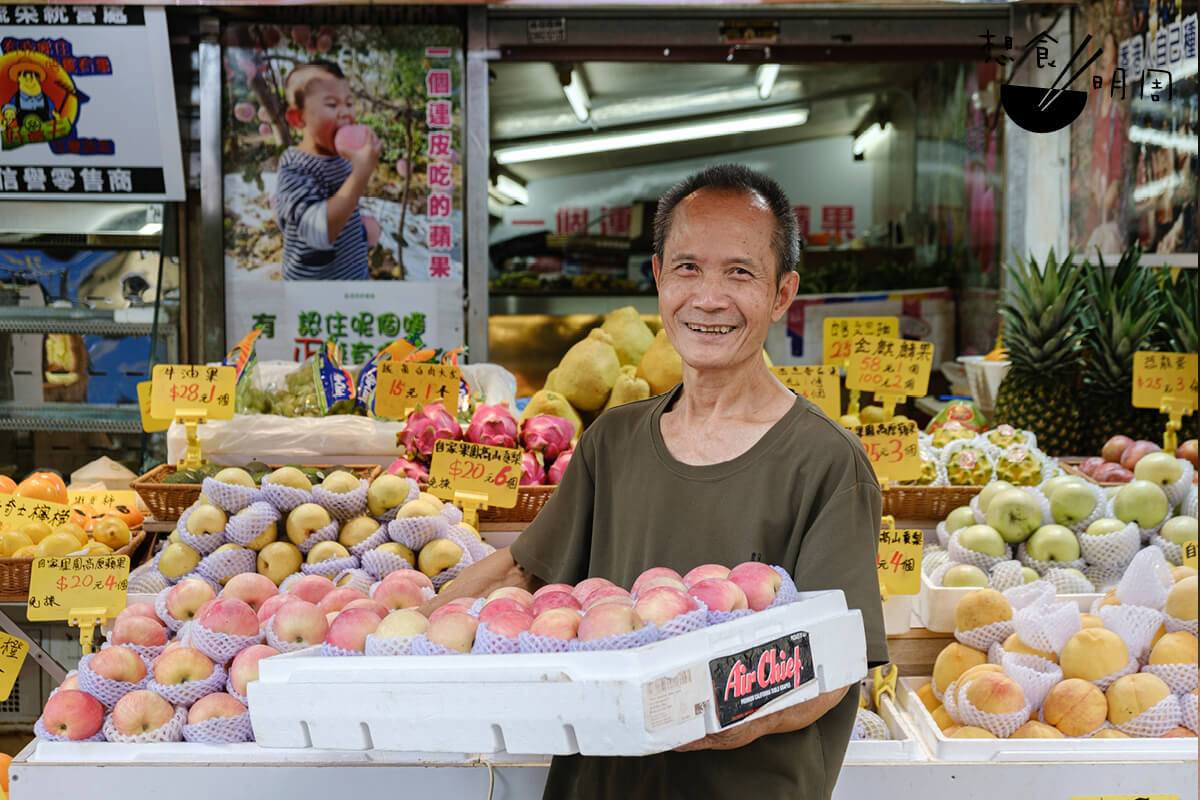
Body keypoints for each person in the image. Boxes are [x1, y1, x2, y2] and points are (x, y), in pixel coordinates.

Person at [425, 164, 887, 800]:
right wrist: (402, 631)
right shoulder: (612, 441)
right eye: (688, 268)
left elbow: (832, 667)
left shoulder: (828, 463)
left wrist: (680, 714)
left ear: (783, 294)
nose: (709, 297)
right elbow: (520, 574)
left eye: (740, 272)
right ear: (659, 277)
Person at [273, 61, 379, 280]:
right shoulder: (295, 166)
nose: (345, 113)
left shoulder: (343, 157)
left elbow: (345, 205)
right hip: (315, 296)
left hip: (353, 281)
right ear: (298, 118)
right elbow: (318, 231)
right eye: (332, 105)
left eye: (349, 104)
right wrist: (361, 174)